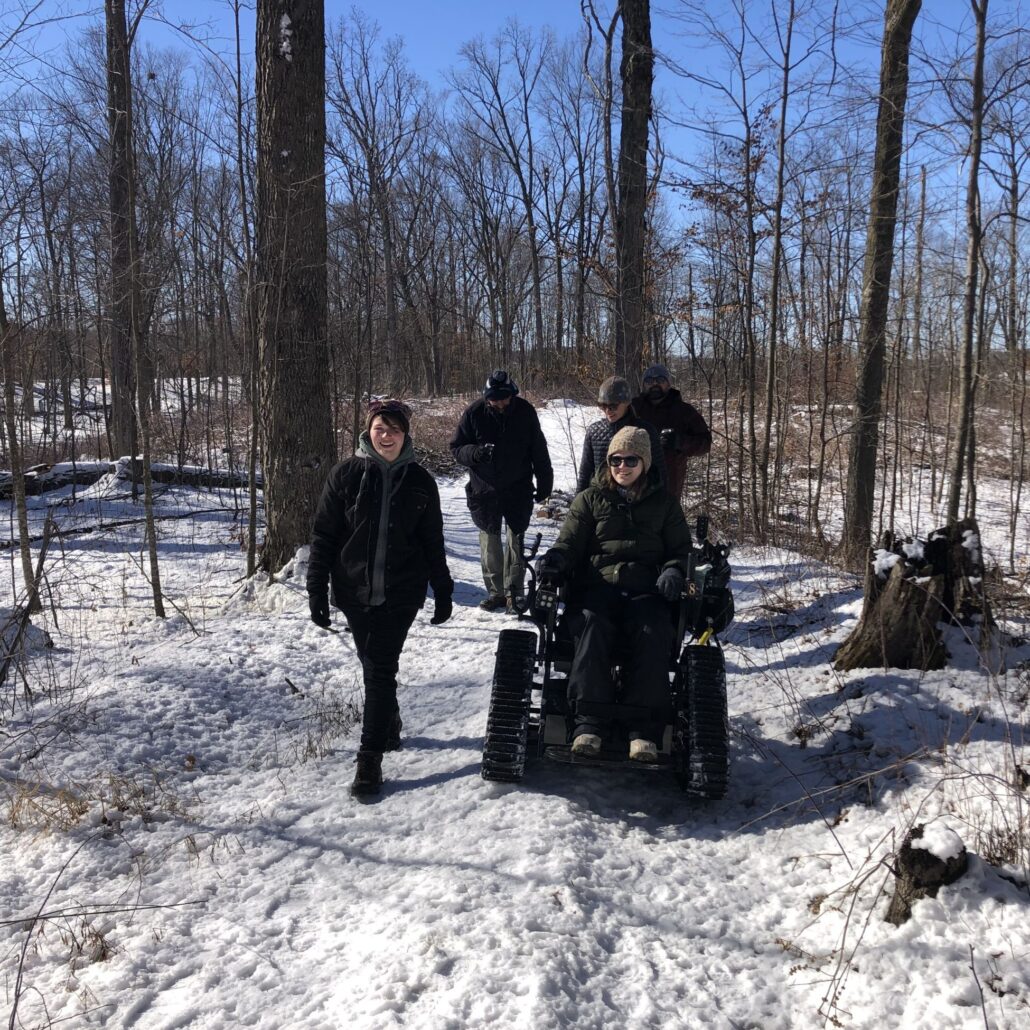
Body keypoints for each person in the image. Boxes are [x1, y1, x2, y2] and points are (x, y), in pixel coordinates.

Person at [306, 399, 453, 797]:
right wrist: (316, 588)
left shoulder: (421, 481)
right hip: (353, 590)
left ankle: (369, 760)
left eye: (394, 430)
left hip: (402, 592)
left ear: (406, 435)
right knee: (371, 662)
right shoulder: (346, 474)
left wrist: (443, 589)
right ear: (367, 431)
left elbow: (432, 541)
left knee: (379, 668)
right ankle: (387, 722)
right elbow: (324, 535)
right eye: (379, 429)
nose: (386, 436)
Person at [537, 426, 693, 762]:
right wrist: (557, 559)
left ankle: (643, 733)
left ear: (645, 463)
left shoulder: (665, 504)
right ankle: (588, 724)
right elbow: (569, 542)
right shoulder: (590, 500)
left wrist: (673, 570)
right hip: (597, 589)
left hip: (646, 591)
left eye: (630, 460)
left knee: (652, 631)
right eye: (615, 459)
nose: (622, 466)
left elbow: (681, 550)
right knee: (591, 624)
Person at [451, 370, 553, 613]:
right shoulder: (474, 413)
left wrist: (545, 481)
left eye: (503, 398)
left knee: (515, 541)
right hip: (484, 490)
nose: (499, 403)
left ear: (511, 394)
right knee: (490, 544)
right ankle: (496, 593)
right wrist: (475, 453)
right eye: (494, 399)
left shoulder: (525, 412)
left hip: (518, 487)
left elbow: (539, 449)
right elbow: (456, 448)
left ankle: (514, 593)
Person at [631, 364, 712, 504]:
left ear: (668, 383)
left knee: (666, 520)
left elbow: (705, 443)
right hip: (635, 478)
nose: (654, 384)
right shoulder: (633, 408)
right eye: (649, 381)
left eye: (660, 380)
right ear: (643, 385)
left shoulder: (684, 411)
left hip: (669, 482)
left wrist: (680, 442)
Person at [576, 375, 666, 494]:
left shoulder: (646, 431)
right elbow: (585, 474)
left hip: (638, 500)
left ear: (627, 403)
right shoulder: (594, 431)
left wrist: (662, 507)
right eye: (603, 406)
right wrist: (578, 506)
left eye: (613, 406)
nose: (608, 411)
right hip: (602, 503)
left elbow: (659, 473)